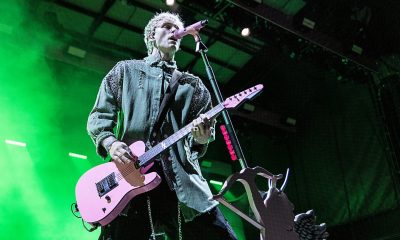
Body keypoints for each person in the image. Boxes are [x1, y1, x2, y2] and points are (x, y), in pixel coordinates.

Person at [87, 12, 237, 240]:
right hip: (130, 176)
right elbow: (100, 115)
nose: (174, 32)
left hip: (181, 181)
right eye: (166, 27)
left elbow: (197, 144)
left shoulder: (194, 86)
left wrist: (201, 138)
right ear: (150, 36)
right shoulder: (125, 70)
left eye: (177, 28)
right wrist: (111, 143)